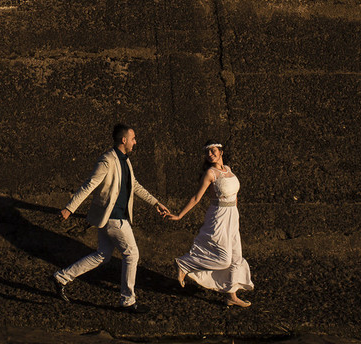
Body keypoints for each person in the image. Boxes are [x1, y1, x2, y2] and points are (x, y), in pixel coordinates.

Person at [52, 123, 171, 313]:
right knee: (132, 254)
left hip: (117, 217)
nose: (135, 142)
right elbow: (89, 185)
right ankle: (128, 301)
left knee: (103, 255)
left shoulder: (125, 160)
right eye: (133, 138)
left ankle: (62, 277)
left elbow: (135, 185)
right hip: (113, 218)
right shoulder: (107, 160)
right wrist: (69, 208)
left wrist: (155, 203)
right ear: (124, 140)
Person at [166, 141, 254, 307]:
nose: (210, 154)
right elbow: (196, 198)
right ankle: (185, 263)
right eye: (207, 152)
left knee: (236, 257)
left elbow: (235, 195)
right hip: (218, 216)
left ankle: (231, 295)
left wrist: (235, 215)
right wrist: (179, 215)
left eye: (213, 151)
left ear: (221, 151)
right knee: (223, 259)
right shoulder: (210, 173)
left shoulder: (228, 169)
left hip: (232, 216)